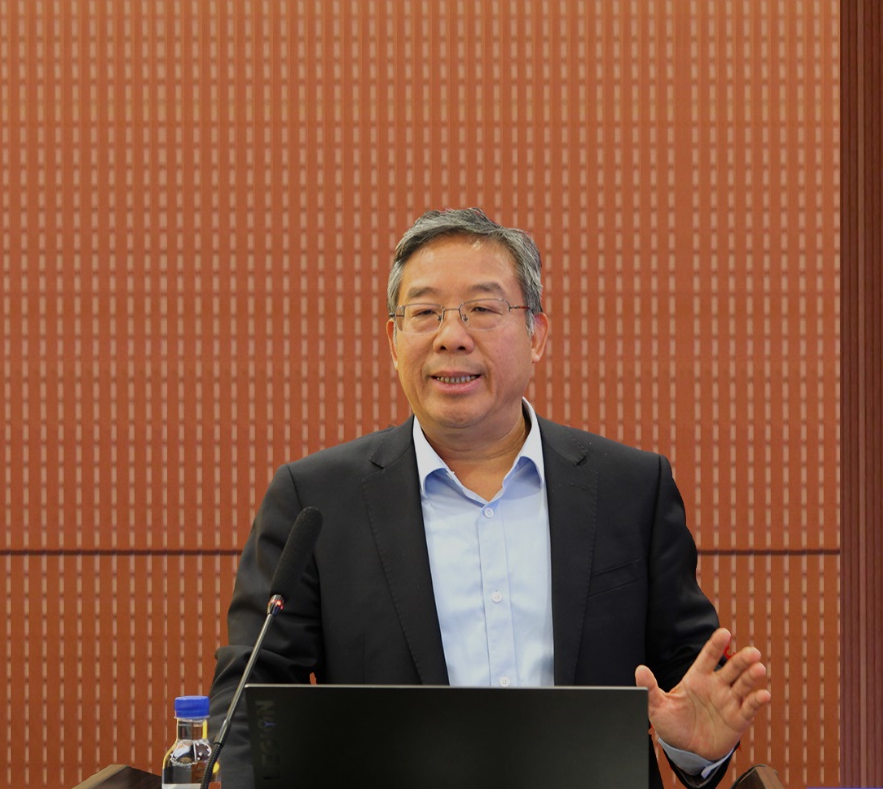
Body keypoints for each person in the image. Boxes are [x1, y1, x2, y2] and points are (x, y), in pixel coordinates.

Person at [208, 208, 770, 788]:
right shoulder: (316, 500)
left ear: (536, 335)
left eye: (482, 309)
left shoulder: (631, 490)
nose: (451, 337)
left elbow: (687, 690)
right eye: (424, 312)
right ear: (394, 342)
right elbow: (248, 700)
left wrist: (695, 750)